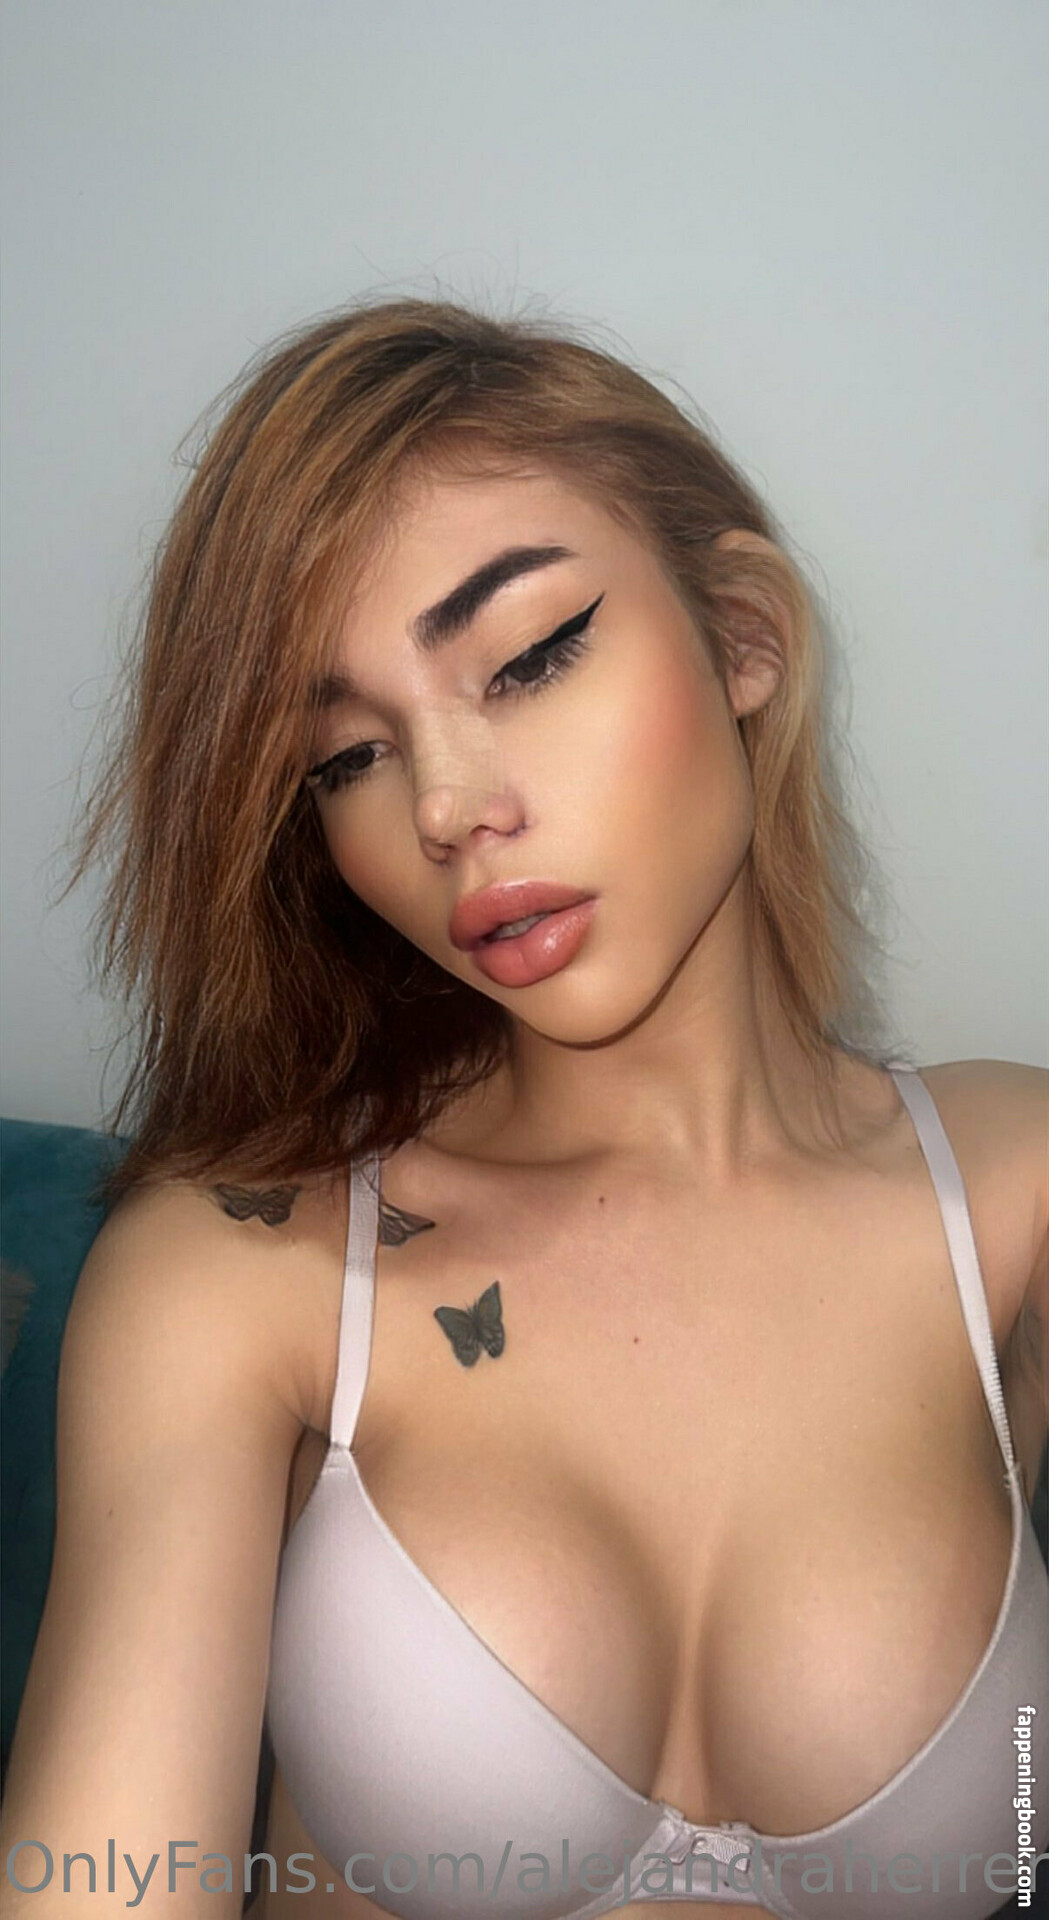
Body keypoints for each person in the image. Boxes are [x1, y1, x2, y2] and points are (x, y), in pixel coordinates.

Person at [1, 297, 1045, 1920]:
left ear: (742, 637)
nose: (442, 807)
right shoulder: (242, 1266)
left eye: (530, 657)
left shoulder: (1019, 1192)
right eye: (346, 757)